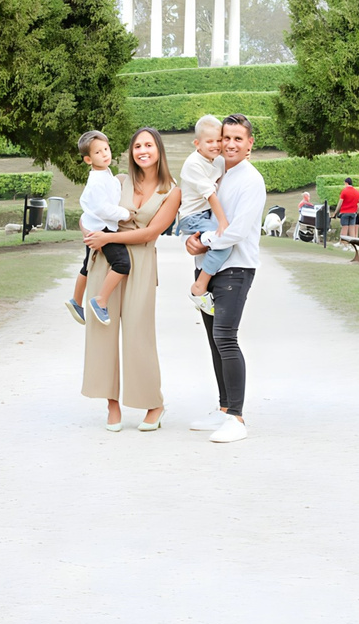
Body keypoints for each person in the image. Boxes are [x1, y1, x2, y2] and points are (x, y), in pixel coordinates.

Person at [81, 127, 174, 432]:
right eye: (137, 146)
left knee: (138, 333)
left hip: (142, 261)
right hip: (106, 260)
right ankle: (111, 404)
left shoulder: (172, 191)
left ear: (158, 149)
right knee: (102, 332)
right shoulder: (117, 180)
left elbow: (150, 233)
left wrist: (106, 239)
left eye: (148, 145)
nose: (142, 150)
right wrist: (88, 232)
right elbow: (89, 212)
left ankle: (154, 403)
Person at [187, 114, 267, 444]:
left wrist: (203, 240)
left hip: (236, 269)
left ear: (250, 144)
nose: (230, 144)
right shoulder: (217, 172)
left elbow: (236, 230)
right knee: (213, 340)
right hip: (209, 266)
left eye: (238, 139)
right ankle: (223, 410)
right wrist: (194, 239)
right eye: (226, 138)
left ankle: (237, 416)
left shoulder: (251, 180)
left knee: (226, 337)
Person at [171, 115, 236, 313]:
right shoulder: (193, 164)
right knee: (223, 244)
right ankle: (199, 287)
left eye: (219, 140)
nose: (216, 145)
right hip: (193, 217)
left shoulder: (215, 160)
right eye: (210, 141)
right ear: (197, 143)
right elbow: (210, 195)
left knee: (218, 244)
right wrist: (223, 223)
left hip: (205, 214)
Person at [68, 130, 132, 325]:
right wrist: (125, 214)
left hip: (93, 225)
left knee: (87, 264)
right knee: (122, 264)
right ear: (88, 159)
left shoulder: (105, 174)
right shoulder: (97, 181)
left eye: (106, 149)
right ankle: (100, 300)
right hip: (101, 228)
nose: (105, 154)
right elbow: (103, 208)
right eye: (98, 152)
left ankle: (76, 301)